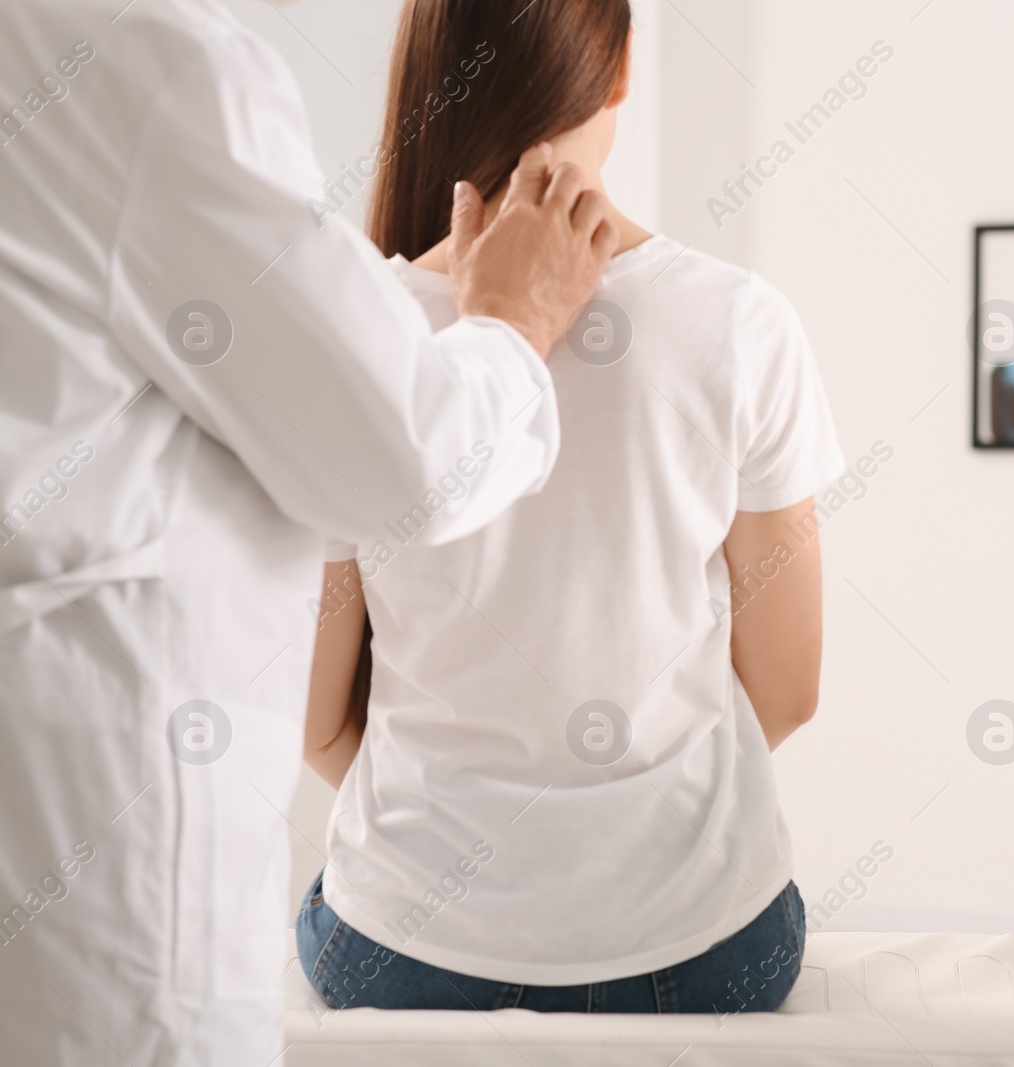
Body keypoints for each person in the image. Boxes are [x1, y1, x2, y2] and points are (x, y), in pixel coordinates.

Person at [0, 0, 616, 1063]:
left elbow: (330, 718)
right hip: (95, 887)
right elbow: (405, 462)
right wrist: (511, 328)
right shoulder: (151, 70)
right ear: (616, 86)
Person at [295, 0, 844, 1016]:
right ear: (622, 66)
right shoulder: (740, 323)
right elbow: (787, 688)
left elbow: (319, 719)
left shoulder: (345, 334)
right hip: (704, 947)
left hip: (408, 948)